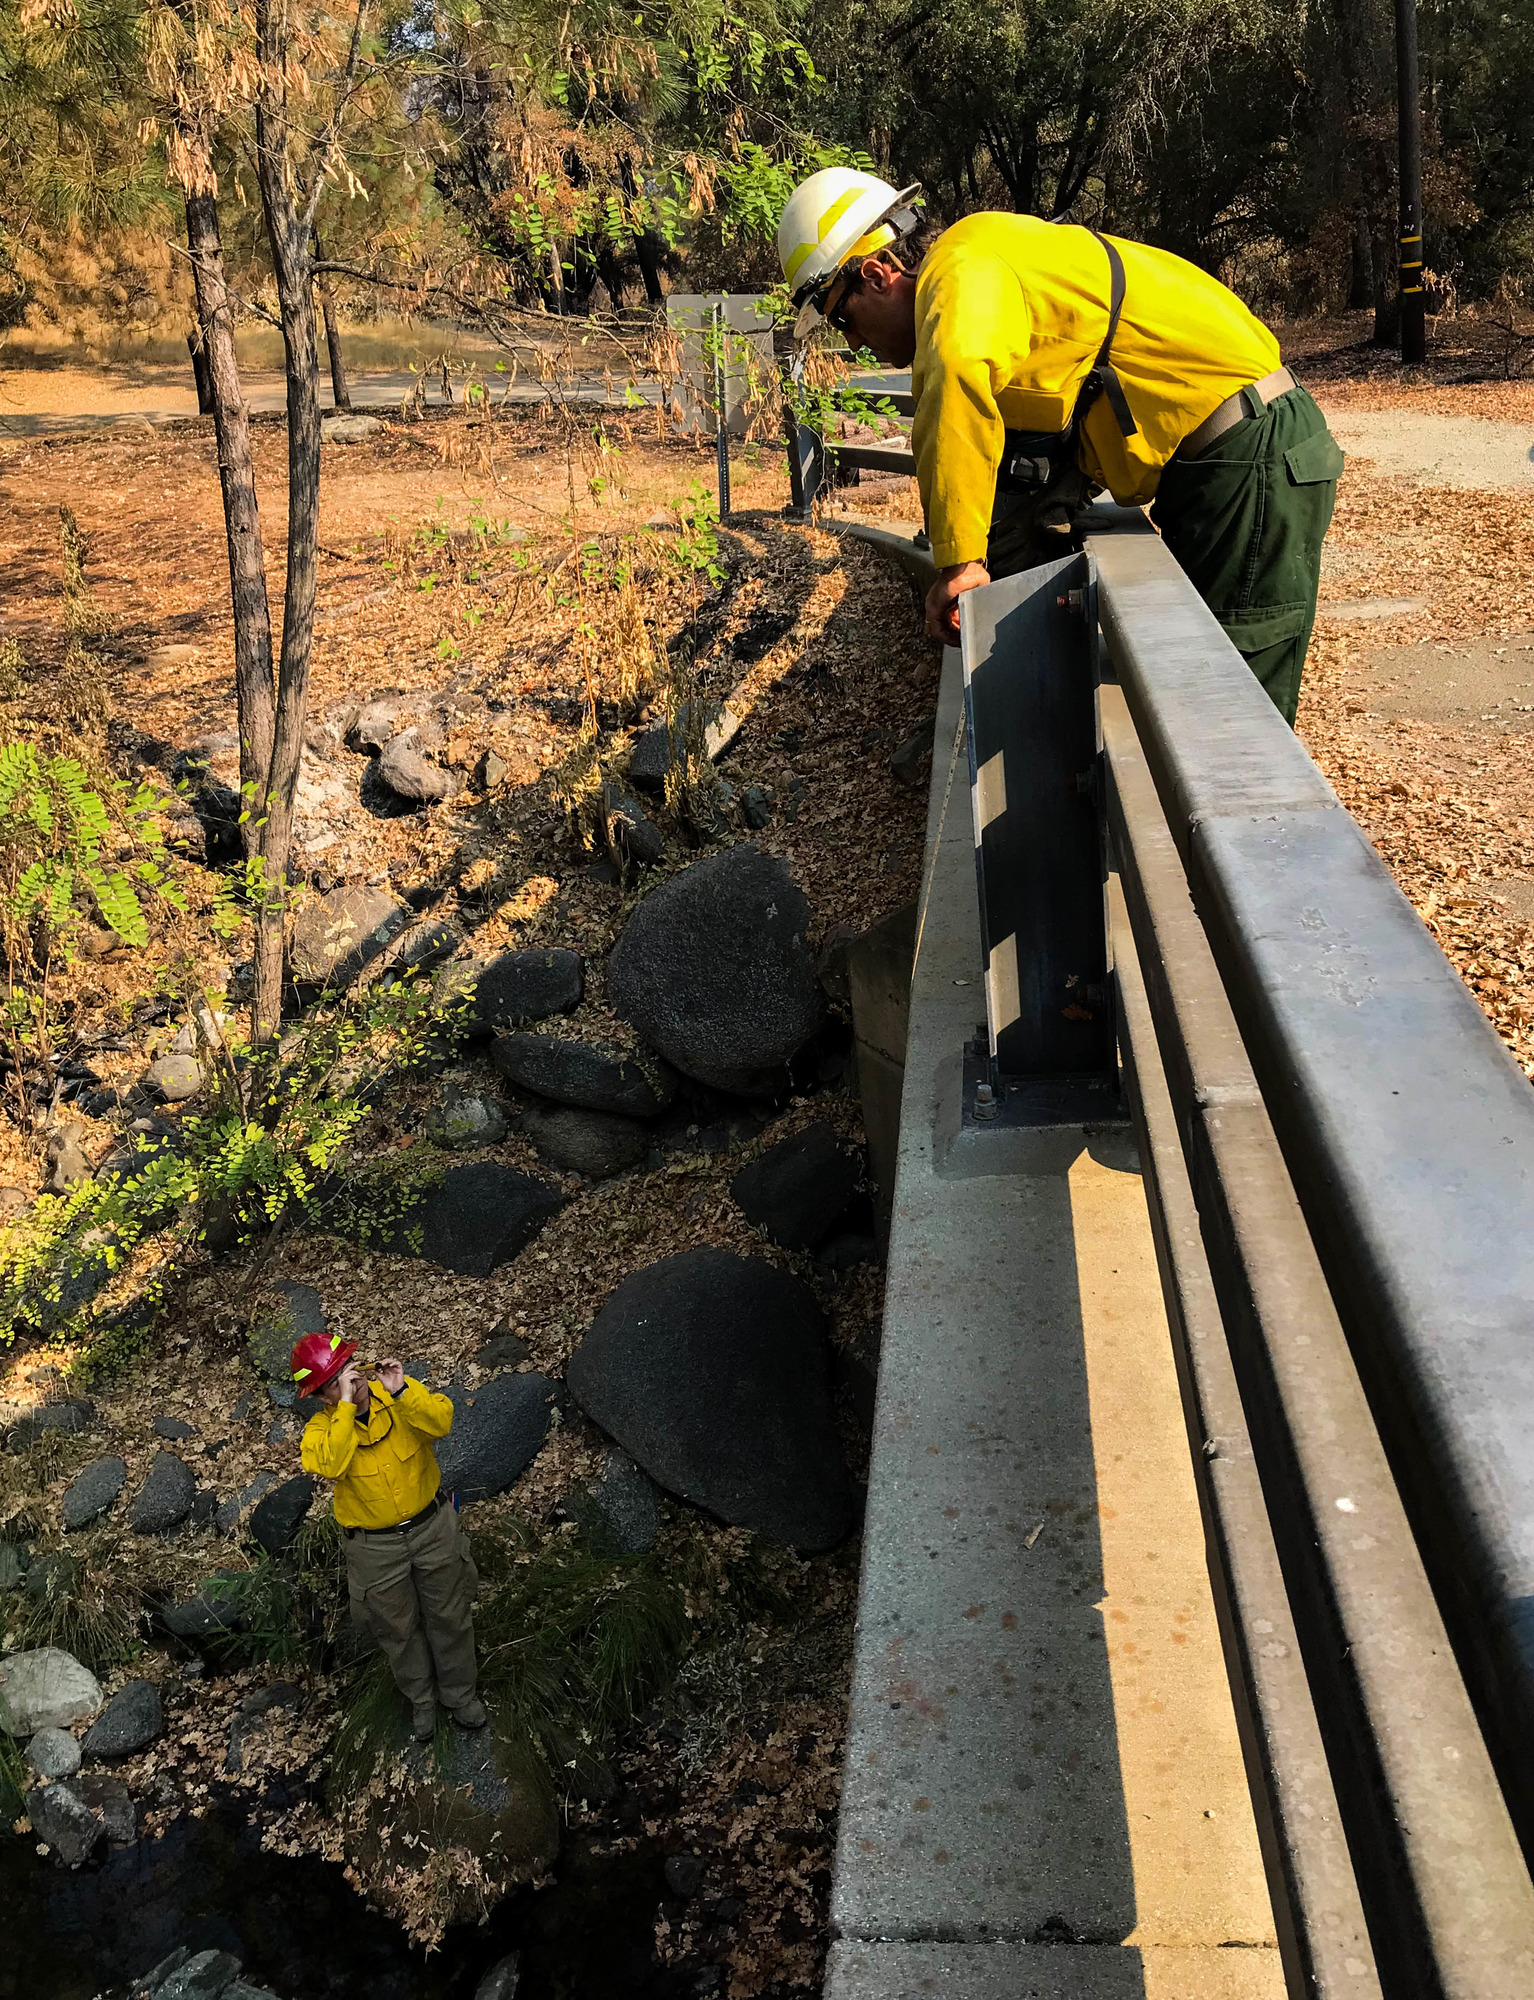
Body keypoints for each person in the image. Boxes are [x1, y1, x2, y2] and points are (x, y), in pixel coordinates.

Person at [777, 169, 1345, 726]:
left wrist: (960, 563)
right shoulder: (988, 258)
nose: (851, 341)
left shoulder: (960, 271)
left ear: (877, 273)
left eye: (842, 318)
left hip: (1250, 453)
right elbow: (1065, 393)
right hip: (1220, 457)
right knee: (1201, 682)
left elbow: (954, 383)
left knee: (1235, 712)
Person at [291, 1329, 485, 1742]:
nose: (352, 1382)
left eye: (350, 1370)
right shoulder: (319, 1432)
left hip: (432, 1528)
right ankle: (423, 1701)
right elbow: (328, 1464)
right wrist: (344, 1408)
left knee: (449, 1616)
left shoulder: (397, 1393)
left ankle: (459, 1694)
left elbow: (442, 1422)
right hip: (374, 1549)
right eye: (335, 1382)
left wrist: (402, 1392)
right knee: (398, 1630)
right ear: (322, 1396)